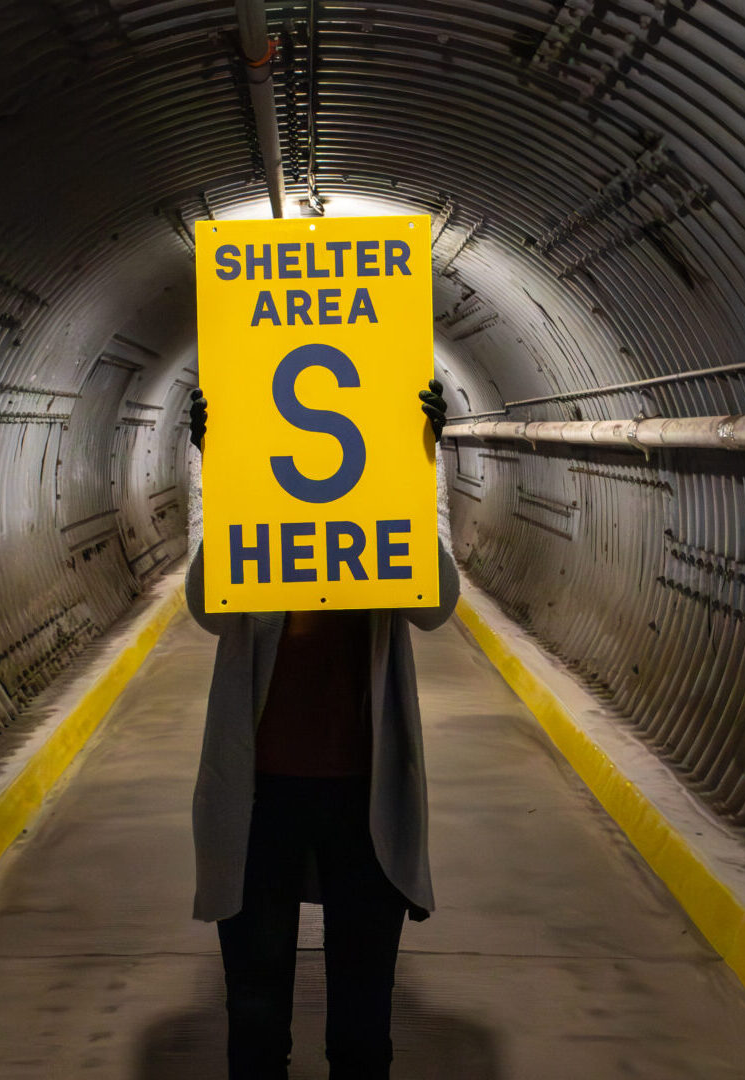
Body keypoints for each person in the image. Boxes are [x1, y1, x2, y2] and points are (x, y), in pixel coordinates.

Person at [184, 381, 459, 1079]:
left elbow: (436, 606)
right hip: (258, 795)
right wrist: (217, 472)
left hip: (364, 797)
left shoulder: (386, 503)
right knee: (254, 1017)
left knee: (363, 1027)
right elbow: (208, 607)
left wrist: (423, 467)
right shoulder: (251, 502)